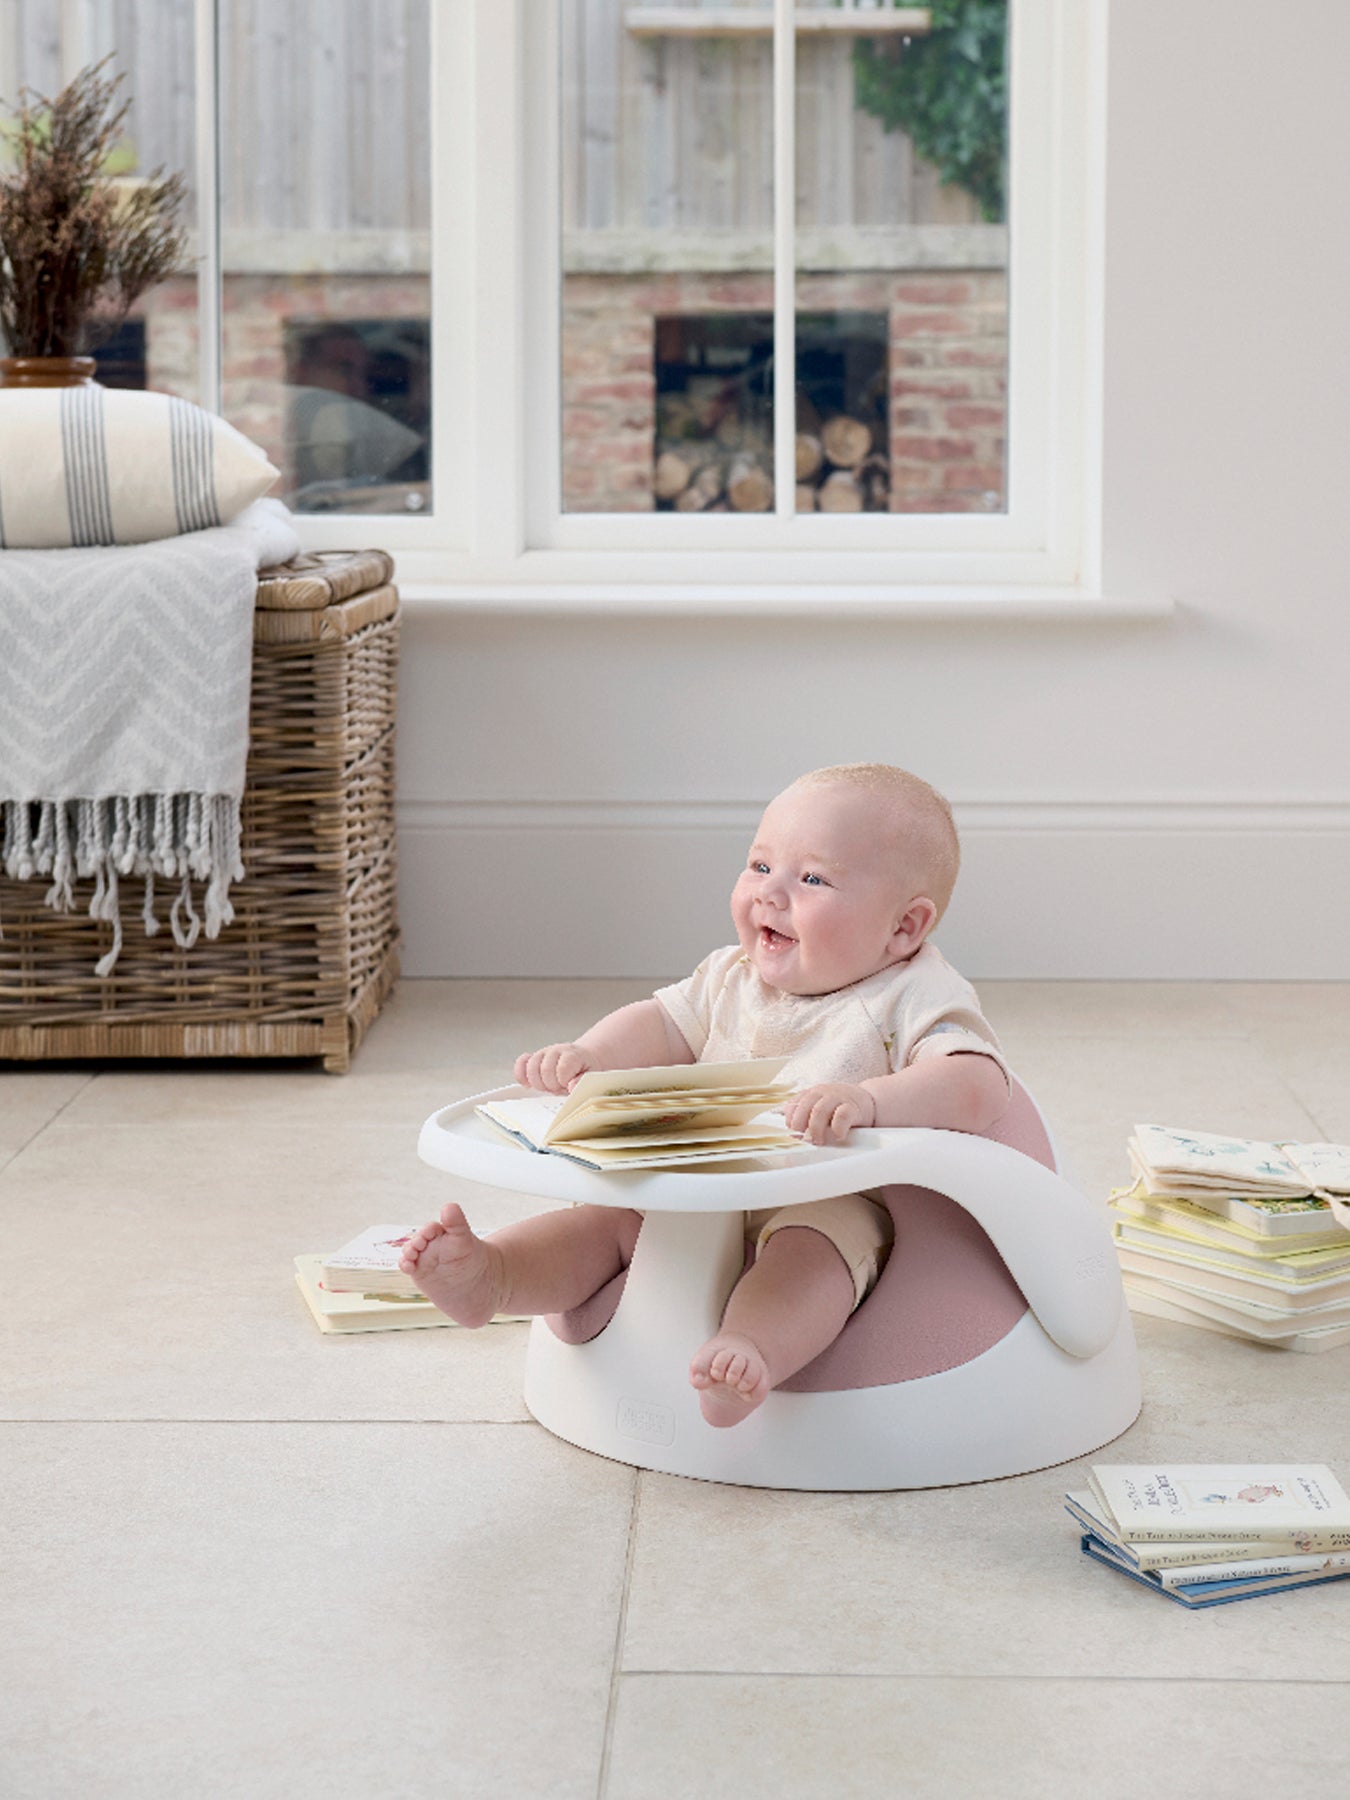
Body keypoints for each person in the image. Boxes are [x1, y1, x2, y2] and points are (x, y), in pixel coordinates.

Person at [400, 763, 1010, 1428]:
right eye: (758, 865)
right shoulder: (732, 974)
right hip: (698, 1179)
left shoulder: (913, 992)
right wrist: (592, 1056)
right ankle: (494, 1275)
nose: (769, 895)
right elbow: (661, 1021)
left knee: (813, 1255)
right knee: (605, 1220)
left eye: (811, 878)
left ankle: (750, 1353)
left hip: (827, 1194)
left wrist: (871, 1102)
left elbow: (976, 1084)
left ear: (903, 928)